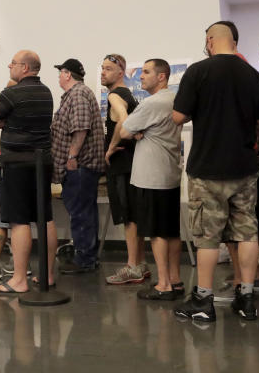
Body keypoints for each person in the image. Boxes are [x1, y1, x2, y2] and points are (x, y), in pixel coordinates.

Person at [172, 24, 259, 322]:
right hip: (244, 166)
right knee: (247, 232)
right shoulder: (253, 75)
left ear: (210, 41)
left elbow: (179, 116)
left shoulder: (198, 72)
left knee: (207, 237)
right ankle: (247, 297)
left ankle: (203, 300)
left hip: (208, 168)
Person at [0, 50, 59, 295]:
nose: (9, 66)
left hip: (16, 163)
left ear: (25, 68)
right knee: (45, 217)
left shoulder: (11, 93)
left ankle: (18, 279)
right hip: (42, 162)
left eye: (13, 63)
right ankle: (47, 274)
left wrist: (4, 120)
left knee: (18, 220)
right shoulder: (46, 92)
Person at [119, 59, 184, 301]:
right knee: (172, 231)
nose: (141, 77)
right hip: (169, 175)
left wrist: (135, 131)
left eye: (146, 72)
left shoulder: (153, 103)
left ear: (162, 76)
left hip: (151, 177)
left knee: (157, 232)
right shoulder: (174, 100)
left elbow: (125, 131)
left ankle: (164, 284)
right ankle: (175, 280)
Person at [51, 58, 107, 275]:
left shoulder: (78, 94)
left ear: (67, 74)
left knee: (81, 213)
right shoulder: (77, 94)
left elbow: (81, 128)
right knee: (84, 212)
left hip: (80, 166)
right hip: (81, 167)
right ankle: (87, 257)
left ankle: (84, 259)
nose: (58, 77)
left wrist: (72, 156)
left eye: (60, 73)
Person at [101, 54, 148, 285]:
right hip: (133, 164)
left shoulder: (114, 95)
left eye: (108, 69)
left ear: (121, 73)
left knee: (128, 217)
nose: (103, 72)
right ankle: (139, 263)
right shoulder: (129, 95)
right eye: (102, 68)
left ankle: (131, 266)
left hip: (121, 165)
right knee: (135, 216)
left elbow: (123, 120)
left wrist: (110, 149)